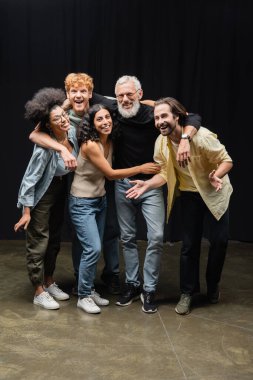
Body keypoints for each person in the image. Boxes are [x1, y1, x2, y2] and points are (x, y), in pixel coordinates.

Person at [95, 75, 201, 314]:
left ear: (140, 94)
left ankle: (149, 289)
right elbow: (82, 95)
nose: (124, 99)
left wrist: (185, 138)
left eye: (129, 94)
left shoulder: (154, 114)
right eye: (120, 95)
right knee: (127, 237)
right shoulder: (113, 108)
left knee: (155, 237)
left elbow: (192, 116)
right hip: (124, 185)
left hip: (152, 184)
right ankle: (132, 285)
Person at [126, 97, 233, 315]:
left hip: (215, 192)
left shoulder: (201, 137)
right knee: (189, 246)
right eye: (156, 118)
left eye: (164, 116)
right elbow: (165, 173)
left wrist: (216, 175)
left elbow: (227, 160)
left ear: (177, 117)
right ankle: (187, 292)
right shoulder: (161, 143)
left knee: (220, 242)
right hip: (189, 195)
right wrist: (147, 184)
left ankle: (213, 286)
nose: (160, 121)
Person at [29, 73, 121, 295]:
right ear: (68, 93)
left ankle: (111, 277)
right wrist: (61, 148)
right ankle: (79, 282)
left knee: (108, 229)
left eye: (83, 91)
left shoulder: (102, 108)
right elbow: (35, 135)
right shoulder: (64, 114)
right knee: (77, 230)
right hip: (69, 176)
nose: (79, 95)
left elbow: (131, 102)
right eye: (73, 91)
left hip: (98, 174)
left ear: (90, 92)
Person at [69, 104, 160, 314]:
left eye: (107, 117)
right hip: (81, 202)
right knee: (92, 248)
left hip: (99, 200)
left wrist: (150, 103)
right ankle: (83, 295)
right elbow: (110, 174)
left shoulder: (109, 140)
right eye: (99, 119)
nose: (105, 122)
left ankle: (89, 290)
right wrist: (140, 169)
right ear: (91, 124)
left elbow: (139, 102)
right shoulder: (91, 144)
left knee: (95, 247)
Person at [14, 88, 79, 310]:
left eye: (64, 116)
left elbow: (65, 109)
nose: (63, 120)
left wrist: (66, 106)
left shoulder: (71, 132)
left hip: (60, 189)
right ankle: (38, 290)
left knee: (54, 238)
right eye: (56, 119)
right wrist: (26, 211)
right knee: (38, 241)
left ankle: (49, 281)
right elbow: (29, 180)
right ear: (48, 125)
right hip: (41, 194)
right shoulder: (44, 148)